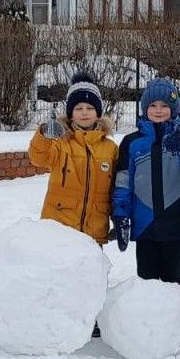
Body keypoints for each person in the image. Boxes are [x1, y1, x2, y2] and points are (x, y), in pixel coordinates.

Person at [111, 78, 180, 291]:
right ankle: (148, 322)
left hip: (175, 222)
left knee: (173, 280)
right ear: (145, 109)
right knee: (147, 282)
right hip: (145, 223)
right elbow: (123, 181)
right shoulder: (132, 142)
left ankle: (179, 318)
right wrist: (121, 214)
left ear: (174, 109)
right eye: (153, 105)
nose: (159, 110)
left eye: (165, 105)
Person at [27, 72, 118, 245]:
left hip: (94, 230)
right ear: (71, 113)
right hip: (59, 228)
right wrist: (44, 135)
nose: (84, 113)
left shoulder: (110, 148)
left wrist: (120, 219)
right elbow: (38, 158)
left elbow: (116, 189)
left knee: (90, 271)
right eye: (78, 108)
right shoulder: (60, 143)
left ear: (98, 112)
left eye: (90, 108)